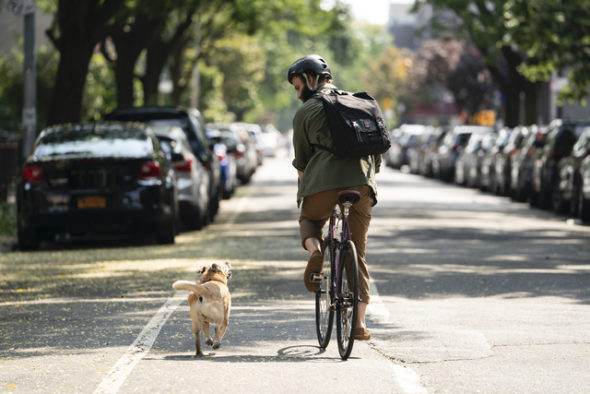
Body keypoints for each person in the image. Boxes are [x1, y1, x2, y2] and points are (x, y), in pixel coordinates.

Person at [287, 54, 381, 341]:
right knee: (359, 253)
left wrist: (305, 188)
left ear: (310, 79)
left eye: (297, 85)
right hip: (362, 185)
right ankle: (360, 324)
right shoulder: (360, 104)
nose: (297, 92)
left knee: (310, 220)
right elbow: (376, 155)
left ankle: (316, 250)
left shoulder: (306, 111)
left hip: (323, 185)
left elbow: (302, 162)